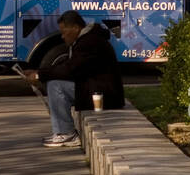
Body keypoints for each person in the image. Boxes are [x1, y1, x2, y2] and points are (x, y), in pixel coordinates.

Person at [21, 11, 124, 148]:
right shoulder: (87, 39)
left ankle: (66, 133)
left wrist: (39, 75)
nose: (62, 36)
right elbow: (69, 67)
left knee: (55, 85)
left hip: (104, 96)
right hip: (98, 91)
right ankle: (63, 132)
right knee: (55, 82)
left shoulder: (89, 42)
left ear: (76, 28)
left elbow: (70, 70)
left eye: (64, 32)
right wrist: (38, 72)